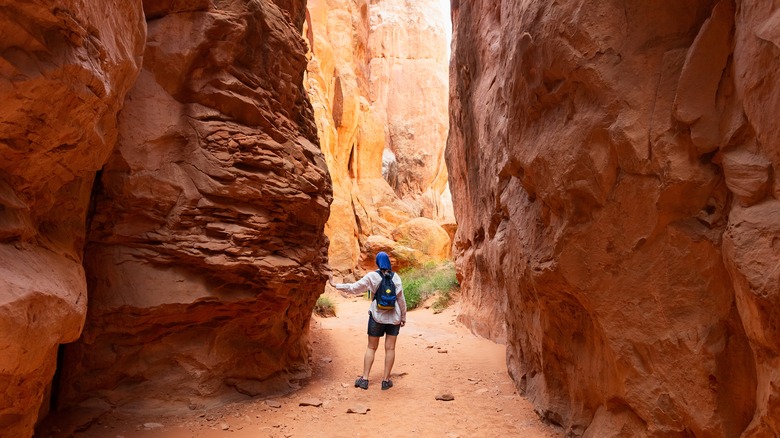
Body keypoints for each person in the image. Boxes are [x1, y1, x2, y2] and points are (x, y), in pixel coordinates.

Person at [329, 251, 407, 390]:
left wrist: (336, 285)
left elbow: (354, 288)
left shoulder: (372, 276)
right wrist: (403, 317)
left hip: (377, 316)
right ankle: (385, 380)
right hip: (394, 318)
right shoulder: (396, 278)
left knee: (371, 347)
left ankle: (364, 379)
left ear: (377, 262)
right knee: (390, 348)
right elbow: (401, 300)